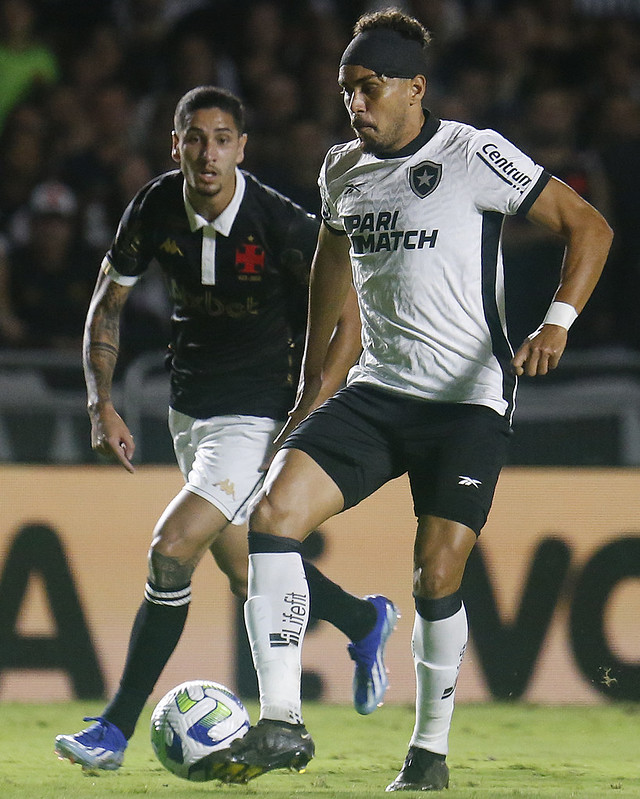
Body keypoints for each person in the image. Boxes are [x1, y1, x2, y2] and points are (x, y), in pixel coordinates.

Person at [191, 8, 613, 792]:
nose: (355, 103)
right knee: (271, 519)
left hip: (466, 401)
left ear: (414, 88)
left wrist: (556, 322)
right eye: (346, 89)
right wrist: (316, 378)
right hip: (377, 391)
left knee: (435, 572)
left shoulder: (474, 153)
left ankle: (428, 753)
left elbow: (588, 227)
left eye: (369, 87)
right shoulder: (342, 170)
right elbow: (333, 266)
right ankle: (282, 721)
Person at [54, 85, 399, 772]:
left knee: (172, 547)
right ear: (174, 144)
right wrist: (101, 402)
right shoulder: (155, 205)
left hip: (256, 414)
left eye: (221, 138)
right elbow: (108, 303)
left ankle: (114, 730)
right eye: (194, 137)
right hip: (190, 413)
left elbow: (351, 312)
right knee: (247, 563)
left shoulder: (279, 223)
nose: (207, 151)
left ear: (242, 149)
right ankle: (366, 621)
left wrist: (312, 402)